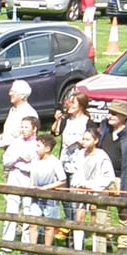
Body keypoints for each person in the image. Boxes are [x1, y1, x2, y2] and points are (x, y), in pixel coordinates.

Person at [66, 127, 115, 255]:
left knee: (95, 221)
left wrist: (91, 186)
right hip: (81, 192)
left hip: (95, 192)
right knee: (79, 219)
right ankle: (77, 254)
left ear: (96, 140)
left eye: (88, 139)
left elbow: (108, 177)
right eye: (83, 138)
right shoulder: (80, 154)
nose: (84, 141)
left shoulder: (102, 156)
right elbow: (75, 172)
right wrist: (78, 185)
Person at [97, 99, 127, 255]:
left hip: (123, 177)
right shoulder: (104, 129)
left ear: (123, 116)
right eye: (110, 112)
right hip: (104, 176)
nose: (110, 116)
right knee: (102, 210)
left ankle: (124, 244)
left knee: (124, 211)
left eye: (114, 113)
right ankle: (106, 241)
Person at [51, 92, 95, 236]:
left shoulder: (87, 122)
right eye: (69, 103)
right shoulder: (67, 120)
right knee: (64, 196)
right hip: (64, 163)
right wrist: (57, 120)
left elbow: (91, 143)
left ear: (81, 106)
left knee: (76, 198)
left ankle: (74, 230)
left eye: (73, 103)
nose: (69, 106)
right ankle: (69, 224)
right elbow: (55, 132)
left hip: (78, 165)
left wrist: (77, 141)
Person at [0, 116, 39, 255]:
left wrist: (24, 162)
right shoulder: (16, 142)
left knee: (27, 209)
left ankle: (25, 246)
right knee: (11, 208)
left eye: (26, 127)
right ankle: (6, 244)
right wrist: (19, 158)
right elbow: (6, 160)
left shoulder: (37, 145)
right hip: (15, 175)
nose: (23, 130)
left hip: (29, 178)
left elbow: (35, 163)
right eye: (22, 126)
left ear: (34, 129)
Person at [26, 134, 66, 255]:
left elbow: (62, 180)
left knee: (49, 225)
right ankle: (32, 249)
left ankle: (46, 251)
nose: (36, 148)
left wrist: (45, 188)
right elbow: (32, 176)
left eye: (39, 146)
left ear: (47, 148)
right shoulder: (35, 160)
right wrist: (31, 186)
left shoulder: (55, 162)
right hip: (35, 197)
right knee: (33, 223)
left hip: (50, 199)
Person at [0, 79, 38, 150]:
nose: (10, 94)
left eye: (13, 92)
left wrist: (7, 143)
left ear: (22, 96)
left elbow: (28, 138)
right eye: (10, 91)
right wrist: (1, 137)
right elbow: (12, 132)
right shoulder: (13, 110)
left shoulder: (29, 113)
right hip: (9, 152)